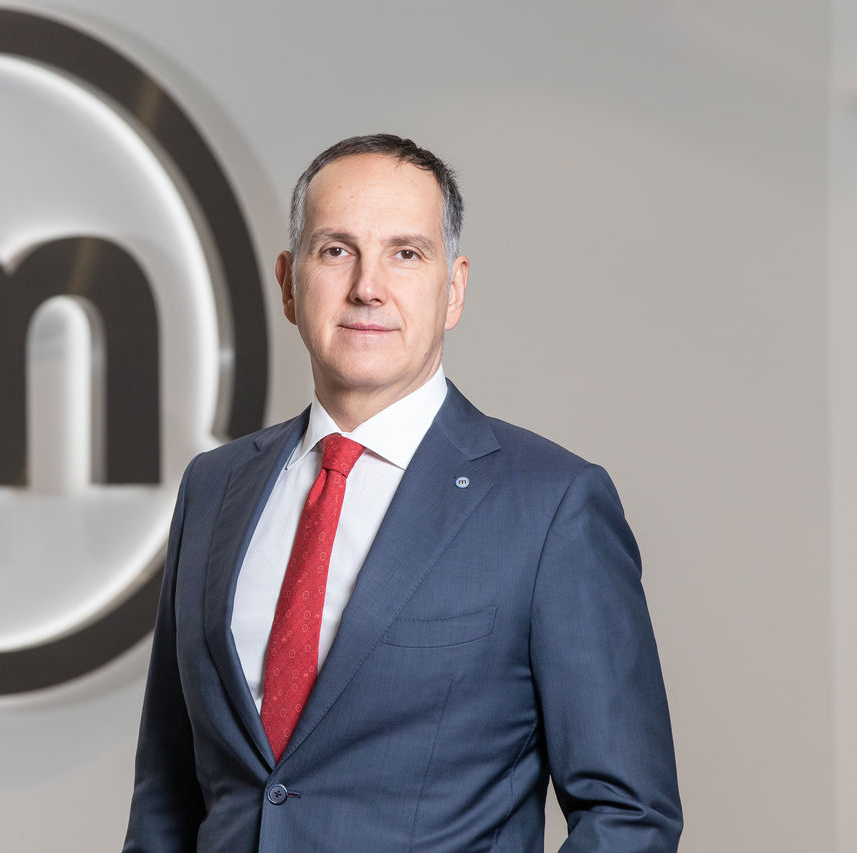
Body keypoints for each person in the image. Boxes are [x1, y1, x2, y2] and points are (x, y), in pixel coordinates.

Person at [123, 134, 682, 852]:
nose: (367, 286)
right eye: (336, 250)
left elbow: (629, 814)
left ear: (454, 289)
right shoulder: (214, 487)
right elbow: (165, 800)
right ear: (288, 282)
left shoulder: (552, 507)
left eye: (406, 253)